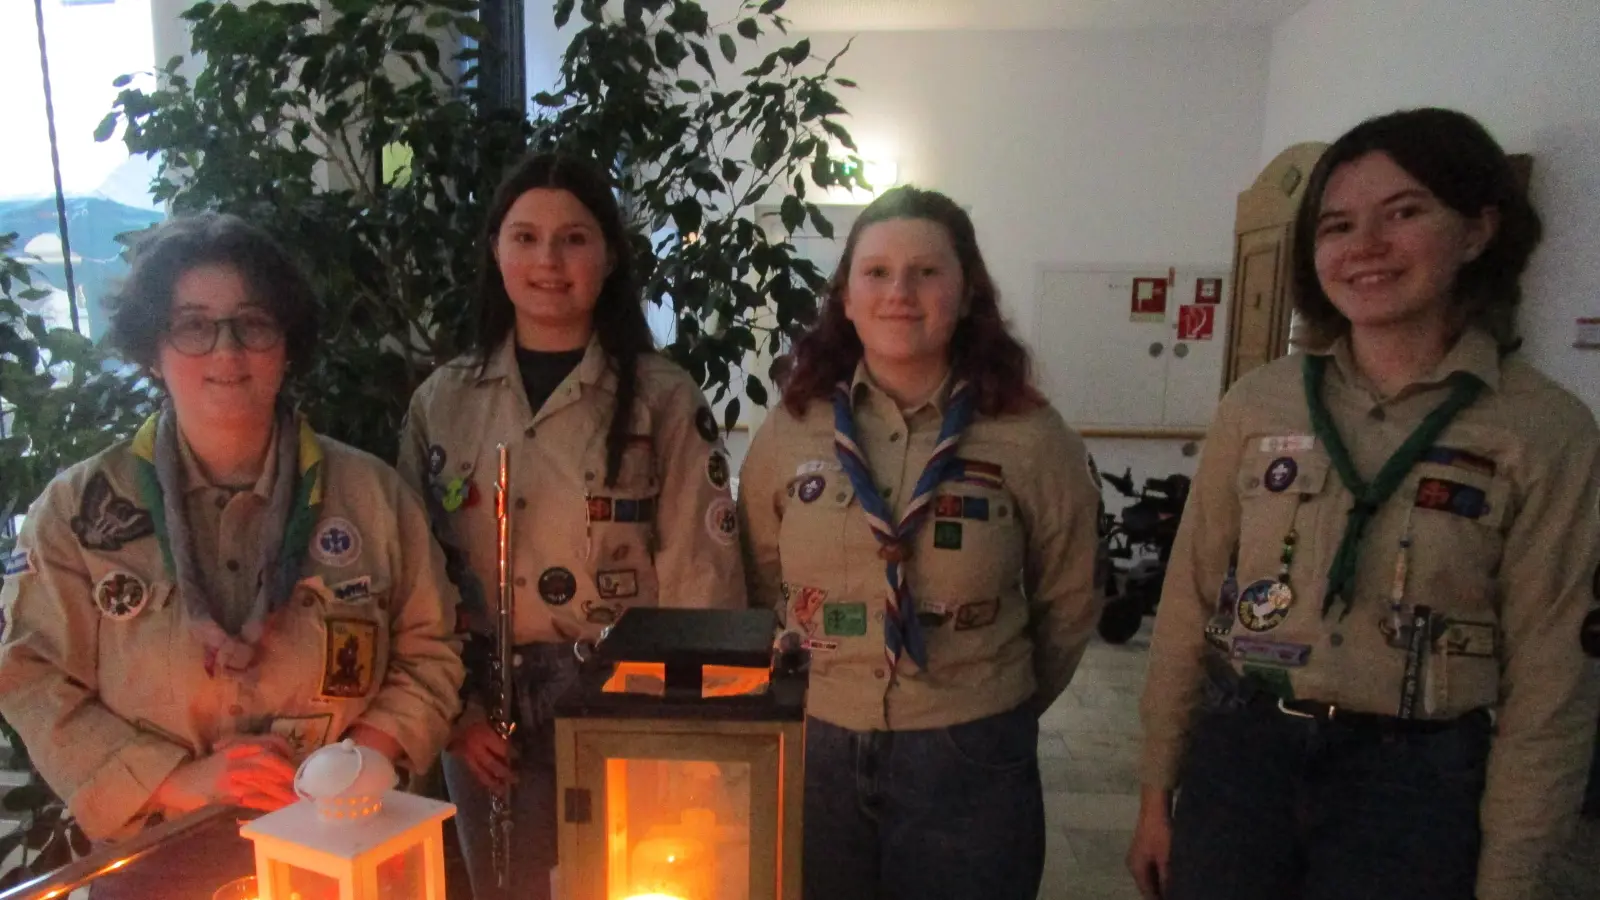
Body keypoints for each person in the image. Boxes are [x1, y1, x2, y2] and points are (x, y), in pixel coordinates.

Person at [1128, 107, 1600, 900]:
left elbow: (1552, 676)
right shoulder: (1261, 404)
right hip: (1247, 755)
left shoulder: (1543, 429)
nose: (1365, 247)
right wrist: (1155, 791)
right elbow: (1190, 602)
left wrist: (1515, 874)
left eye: (1404, 212)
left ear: (1479, 229)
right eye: (1338, 225)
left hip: (1417, 780)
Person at [0, 213, 464, 898]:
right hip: (157, 852)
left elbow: (432, 647)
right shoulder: (79, 511)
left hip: (339, 842)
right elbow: (31, 674)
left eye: (253, 324)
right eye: (193, 325)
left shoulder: (369, 496)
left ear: (286, 346)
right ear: (153, 348)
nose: (227, 353)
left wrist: (365, 756)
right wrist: (173, 781)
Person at [397, 152, 746, 900]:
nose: (548, 261)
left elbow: (702, 576)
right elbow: (411, 581)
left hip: (627, 691)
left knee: (629, 879)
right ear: (495, 250)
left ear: (610, 255)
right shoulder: (444, 401)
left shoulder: (661, 398)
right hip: (486, 704)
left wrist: (681, 724)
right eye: (524, 237)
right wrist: (453, 710)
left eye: (573, 239)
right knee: (511, 889)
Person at [737, 185, 1102, 900]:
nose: (899, 292)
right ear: (845, 297)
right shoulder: (793, 428)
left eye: (927, 272)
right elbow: (757, 573)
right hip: (819, 745)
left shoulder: (1030, 435)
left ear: (967, 294)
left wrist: (991, 696)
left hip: (971, 750)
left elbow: (1070, 596)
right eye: (876, 272)